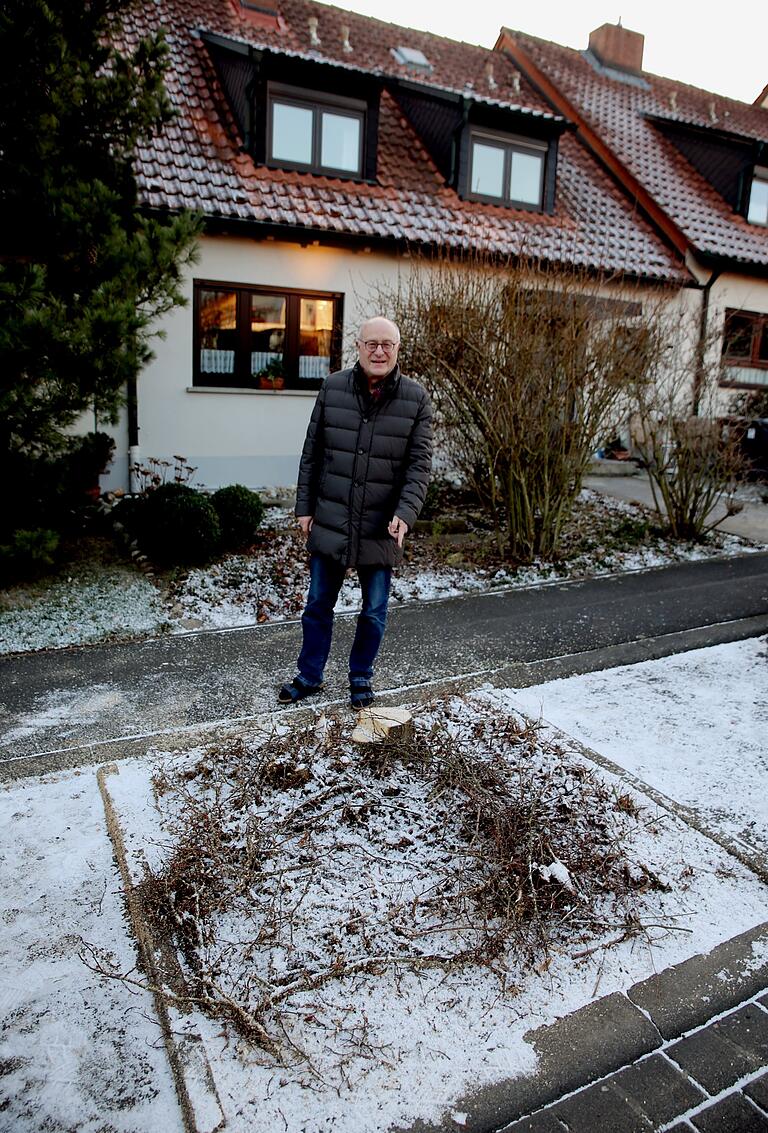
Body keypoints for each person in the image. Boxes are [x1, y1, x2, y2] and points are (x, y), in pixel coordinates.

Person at [279, 316, 433, 710]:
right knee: (317, 605)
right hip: (332, 515)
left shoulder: (416, 399)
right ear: (358, 347)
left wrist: (406, 513)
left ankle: (361, 675)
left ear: (398, 350)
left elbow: (419, 467)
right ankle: (310, 675)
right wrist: (304, 507)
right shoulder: (332, 388)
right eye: (371, 344)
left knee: (375, 609)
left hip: (381, 525)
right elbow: (311, 453)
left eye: (388, 345)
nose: (379, 351)